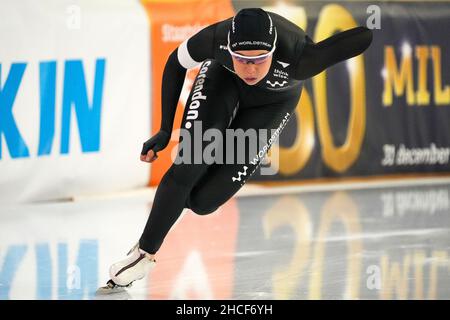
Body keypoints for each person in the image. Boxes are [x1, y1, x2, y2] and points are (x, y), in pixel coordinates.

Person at [99, 7, 373, 292]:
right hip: (222, 82)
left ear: (274, 51)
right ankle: (144, 254)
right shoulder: (214, 39)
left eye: (260, 60)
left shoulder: (301, 57)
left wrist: (371, 29)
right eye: (241, 59)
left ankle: (164, 217)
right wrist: (166, 129)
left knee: (203, 202)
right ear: (228, 48)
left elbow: (360, 38)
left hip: (273, 104)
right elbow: (176, 63)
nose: (251, 69)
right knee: (191, 163)